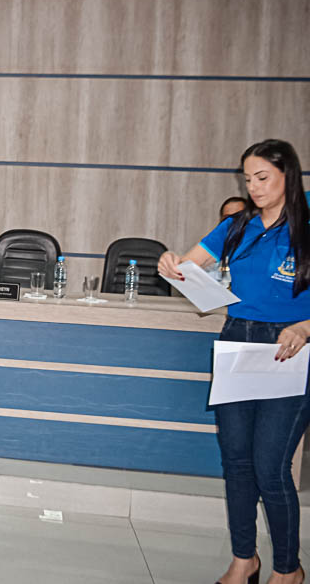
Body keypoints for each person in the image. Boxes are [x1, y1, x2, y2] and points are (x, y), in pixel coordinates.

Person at [158, 139, 310, 584]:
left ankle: (288, 567)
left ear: (289, 175)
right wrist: (172, 263)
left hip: (291, 347)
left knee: (271, 465)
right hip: (238, 340)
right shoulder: (238, 224)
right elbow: (189, 265)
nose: (254, 187)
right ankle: (244, 558)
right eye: (248, 179)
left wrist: (305, 325)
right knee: (236, 461)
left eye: (263, 177)